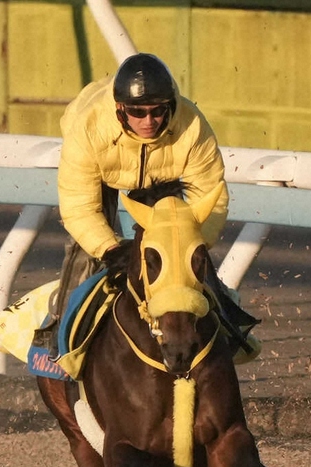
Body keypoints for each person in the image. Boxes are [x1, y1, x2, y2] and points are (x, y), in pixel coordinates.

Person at [53, 53, 257, 358]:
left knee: (190, 260)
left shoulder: (192, 125)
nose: (148, 121)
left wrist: (192, 245)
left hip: (164, 173)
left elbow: (210, 197)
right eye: (137, 112)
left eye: (158, 111)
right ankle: (57, 342)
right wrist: (109, 248)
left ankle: (231, 332)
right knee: (85, 258)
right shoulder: (89, 128)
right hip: (105, 172)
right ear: (121, 109)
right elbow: (79, 208)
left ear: (170, 105)